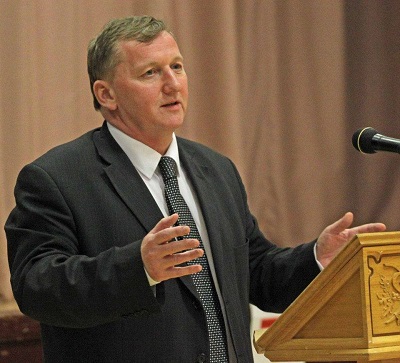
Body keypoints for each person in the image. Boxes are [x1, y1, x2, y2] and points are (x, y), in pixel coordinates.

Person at [5, 15, 386, 363]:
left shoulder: (215, 170)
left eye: (177, 67)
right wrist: (138, 268)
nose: (172, 83)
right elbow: (37, 286)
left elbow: (252, 271)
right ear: (106, 95)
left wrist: (317, 259)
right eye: (150, 73)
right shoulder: (56, 179)